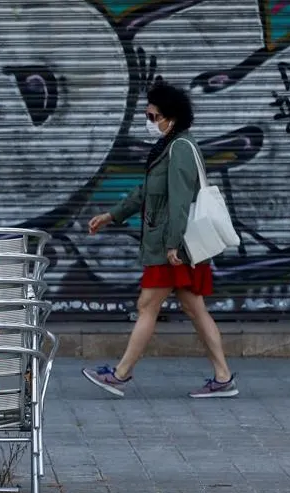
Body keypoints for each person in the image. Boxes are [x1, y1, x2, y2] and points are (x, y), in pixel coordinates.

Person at [81, 82, 238, 399]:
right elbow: (147, 191)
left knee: (147, 305)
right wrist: (112, 215)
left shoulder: (180, 148)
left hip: (172, 246)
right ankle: (223, 377)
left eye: (153, 116)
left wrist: (172, 244)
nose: (149, 121)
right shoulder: (169, 145)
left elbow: (180, 201)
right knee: (194, 309)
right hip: (172, 244)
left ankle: (121, 374)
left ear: (172, 117)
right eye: (147, 115)